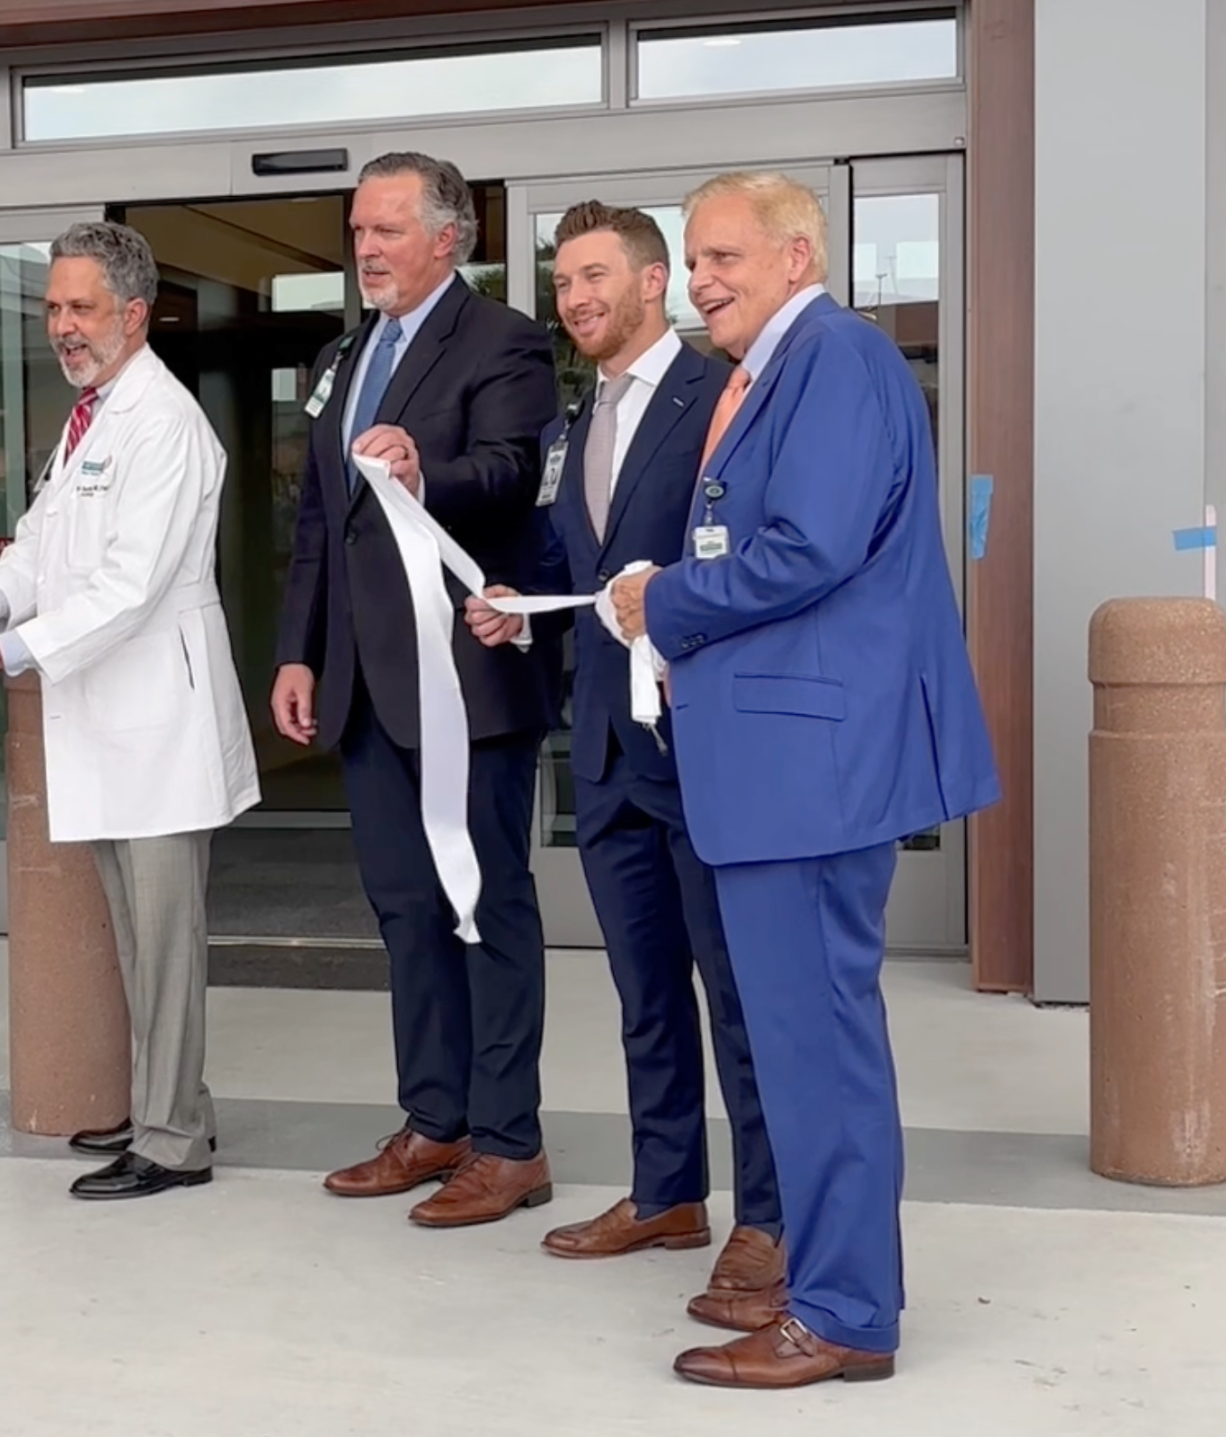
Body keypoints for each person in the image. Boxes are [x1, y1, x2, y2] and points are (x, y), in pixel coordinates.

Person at [603, 171, 999, 1387]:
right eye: (693, 259)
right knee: (798, 1045)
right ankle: (824, 1280)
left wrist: (664, 599)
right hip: (782, 767)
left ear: (796, 256)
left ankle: (844, 1314)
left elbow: (807, 549)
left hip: (807, 772)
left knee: (816, 1049)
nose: (701, 279)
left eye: (723, 256)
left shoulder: (833, 358)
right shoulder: (779, 368)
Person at [468, 200, 784, 1322]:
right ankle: (666, 1193)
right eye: (562, 282)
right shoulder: (570, 425)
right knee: (645, 993)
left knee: (736, 995)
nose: (574, 299)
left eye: (594, 276)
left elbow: (742, 559)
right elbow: (578, 566)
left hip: (701, 745)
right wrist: (522, 608)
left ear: (654, 282)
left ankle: (767, 1217)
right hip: (604, 746)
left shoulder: (722, 398)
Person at [0, 220, 259, 1201]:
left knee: (165, 946)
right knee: (137, 941)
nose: (62, 326)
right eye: (53, 307)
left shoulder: (163, 423)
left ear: (134, 314)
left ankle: (174, 1138)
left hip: (157, 725)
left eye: (81, 308)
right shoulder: (90, 420)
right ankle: (163, 1105)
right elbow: (39, 544)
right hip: (110, 721)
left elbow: (129, 587)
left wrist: (2, 652)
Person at [269, 151, 567, 1228]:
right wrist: (299, 651)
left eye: (386, 229)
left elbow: (511, 473)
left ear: (449, 237)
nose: (365, 249)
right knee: (405, 911)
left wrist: (422, 474)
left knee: (486, 907)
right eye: (357, 231)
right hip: (362, 687)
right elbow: (320, 521)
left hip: (465, 683)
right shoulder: (346, 356)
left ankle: (510, 1142)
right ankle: (435, 1119)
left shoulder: (504, 341)